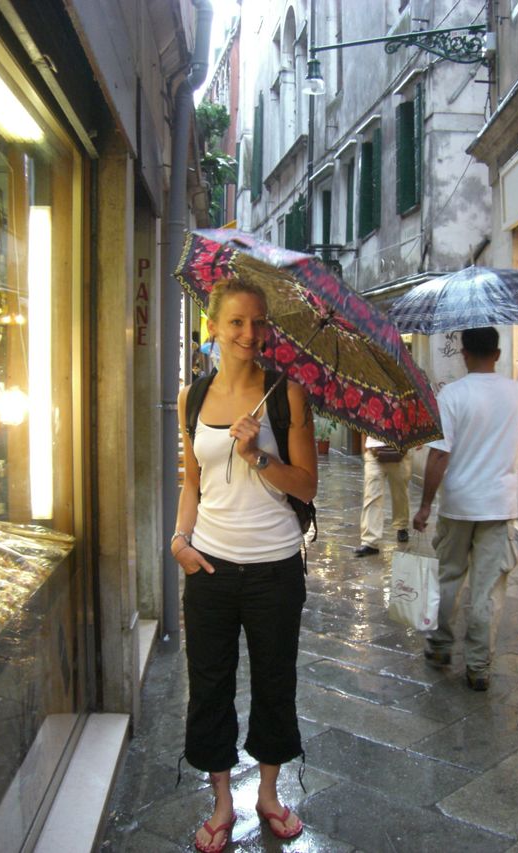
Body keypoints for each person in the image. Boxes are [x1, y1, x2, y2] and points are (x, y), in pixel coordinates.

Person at [172, 278, 317, 852]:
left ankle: (270, 796)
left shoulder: (288, 394)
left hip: (275, 568)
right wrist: (180, 541)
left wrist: (257, 454)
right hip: (208, 565)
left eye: (258, 323)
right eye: (236, 322)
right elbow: (192, 481)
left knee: (274, 682)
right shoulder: (194, 396)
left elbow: (306, 486)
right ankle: (223, 800)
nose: (249, 335)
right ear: (213, 325)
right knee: (208, 686)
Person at [413, 327, 518, 691]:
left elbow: (439, 454)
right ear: (498, 355)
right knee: (488, 589)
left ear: (464, 353)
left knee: (449, 578)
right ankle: (478, 666)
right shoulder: (517, 393)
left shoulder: (452, 395)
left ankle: (439, 647)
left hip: (457, 505)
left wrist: (425, 505)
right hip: (498, 508)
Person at [354, 434, 412, 557]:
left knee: (400, 494)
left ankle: (402, 525)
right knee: (371, 495)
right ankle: (370, 542)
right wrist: (365, 448)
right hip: (373, 452)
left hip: (400, 452)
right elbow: (363, 424)